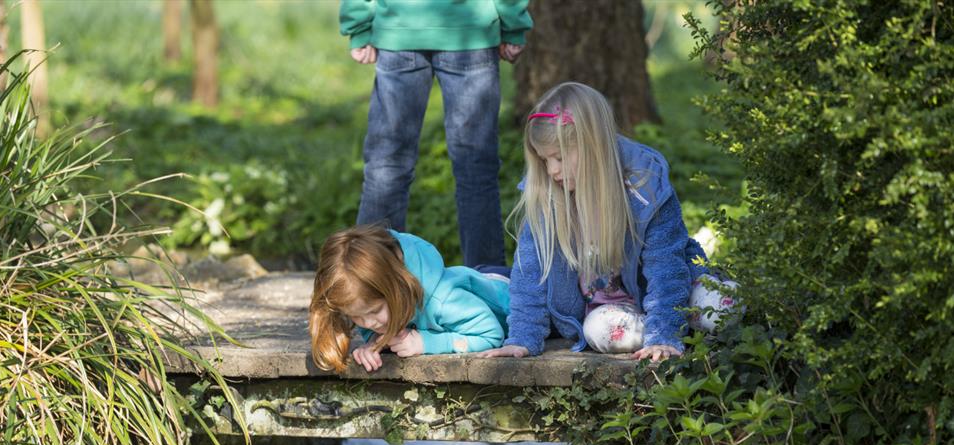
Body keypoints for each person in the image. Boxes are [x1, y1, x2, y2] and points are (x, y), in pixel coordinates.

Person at [482, 82, 737, 363]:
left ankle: (670, 328)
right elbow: (530, 274)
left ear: (593, 146)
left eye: (560, 157)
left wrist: (664, 335)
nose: (552, 170)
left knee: (721, 307)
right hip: (614, 310)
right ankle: (672, 331)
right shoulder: (548, 200)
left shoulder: (646, 189)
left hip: (667, 294)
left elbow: (667, 269)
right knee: (599, 330)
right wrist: (522, 338)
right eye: (544, 160)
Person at [339, 0, 532, 268]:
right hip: (469, 31)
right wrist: (512, 22)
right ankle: (488, 285)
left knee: (387, 166)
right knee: (476, 171)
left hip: (400, 28)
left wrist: (358, 23)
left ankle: (368, 279)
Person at [309, 224, 511, 373]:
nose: (368, 323)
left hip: (511, 286)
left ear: (396, 287)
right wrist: (377, 343)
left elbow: (491, 334)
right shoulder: (373, 306)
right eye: (355, 316)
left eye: (374, 310)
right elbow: (376, 325)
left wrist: (427, 343)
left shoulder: (443, 301)